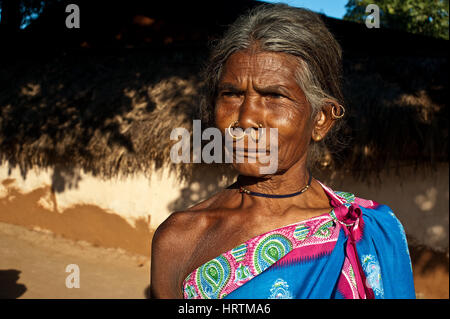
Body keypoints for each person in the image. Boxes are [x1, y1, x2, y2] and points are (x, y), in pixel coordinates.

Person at [150, 4, 415, 299]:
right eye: (232, 94)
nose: (247, 118)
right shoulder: (181, 237)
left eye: (274, 95)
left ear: (321, 119)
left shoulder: (369, 230)